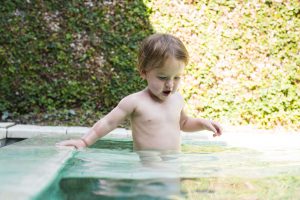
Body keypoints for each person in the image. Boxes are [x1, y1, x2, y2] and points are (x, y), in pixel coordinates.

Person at [57, 33, 222, 152]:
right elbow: (108, 123)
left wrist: (202, 123)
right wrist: (84, 141)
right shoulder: (134, 102)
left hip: (173, 165)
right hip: (147, 168)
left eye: (177, 78)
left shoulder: (177, 99)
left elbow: (184, 123)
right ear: (144, 72)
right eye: (162, 77)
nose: (170, 84)